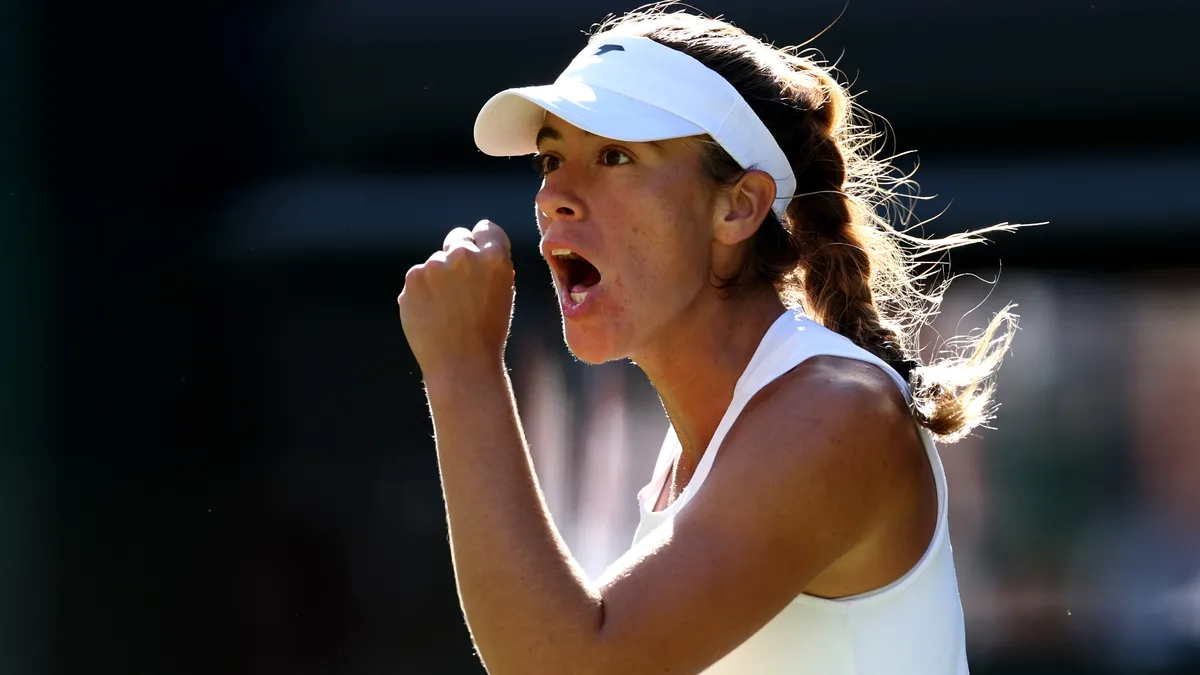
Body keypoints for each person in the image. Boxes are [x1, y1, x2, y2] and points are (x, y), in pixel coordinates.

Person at [397, 6, 1022, 674]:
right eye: (552, 159)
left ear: (739, 206)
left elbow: (568, 664)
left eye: (615, 155)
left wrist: (464, 368)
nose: (555, 196)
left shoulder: (836, 413)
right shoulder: (695, 454)